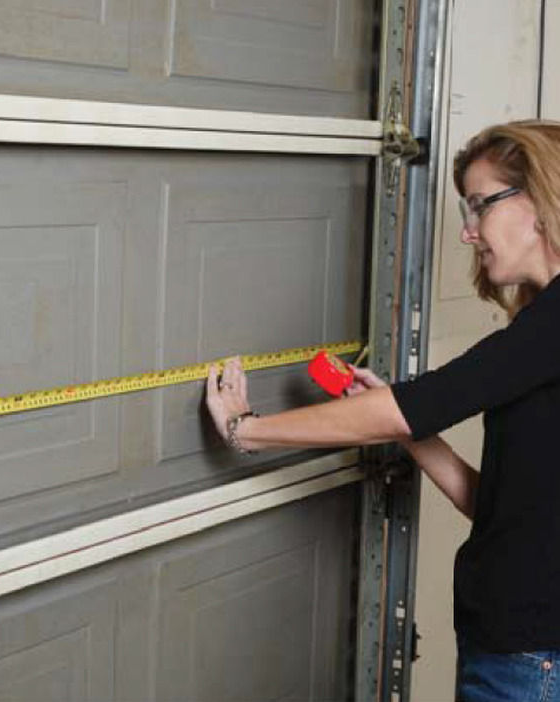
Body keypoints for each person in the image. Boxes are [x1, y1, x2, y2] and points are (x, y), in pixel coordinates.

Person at [205, 120, 560, 701]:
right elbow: (496, 509)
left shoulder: (552, 327)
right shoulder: (543, 327)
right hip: (516, 651)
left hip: (533, 663)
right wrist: (408, 428)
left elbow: (418, 405)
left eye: (478, 206)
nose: (469, 233)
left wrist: (249, 430)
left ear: (540, 199)